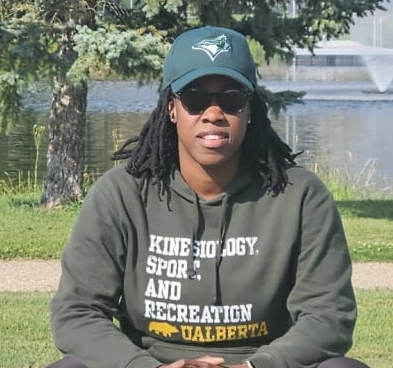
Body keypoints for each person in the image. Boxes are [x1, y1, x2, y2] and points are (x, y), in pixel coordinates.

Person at [48, 26, 368, 368]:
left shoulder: (300, 197)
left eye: (231, 98)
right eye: (195, 98)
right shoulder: (121, 195)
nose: (213, 113)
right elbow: (77, 312)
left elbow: (329, 316)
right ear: (172, 108)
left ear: (250, 109)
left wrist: (255, 367)